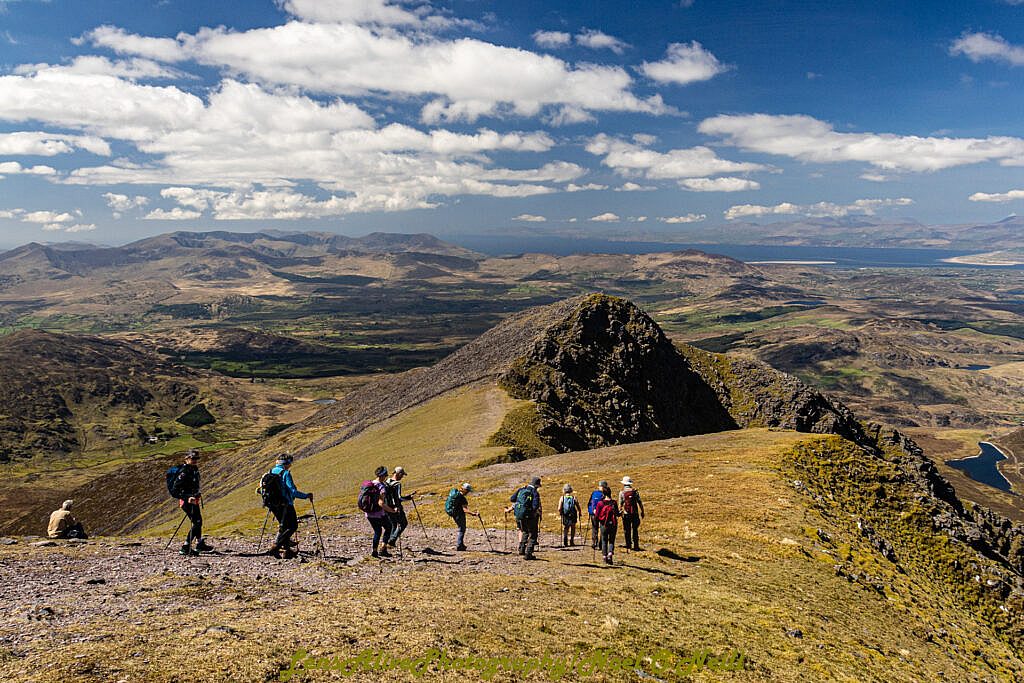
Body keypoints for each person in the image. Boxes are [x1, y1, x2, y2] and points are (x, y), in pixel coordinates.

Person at [265, 454, 312, 559]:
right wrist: (306, 496)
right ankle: (275, 547)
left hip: (273, 505)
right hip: (285, 504)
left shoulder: (270, 472)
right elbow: (293, 491)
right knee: (292, 526)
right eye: (290, 462)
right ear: (287, 463)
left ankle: (287, 551)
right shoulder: (285, 473)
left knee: (285, 526)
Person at [170, 450, 212, 556]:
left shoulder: (194, 469)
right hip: (186, 502)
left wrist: (196, 494)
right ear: (186, 459)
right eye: (192, 459)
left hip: (194, 500)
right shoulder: (184, 472)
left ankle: (199, 544)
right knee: (197, 522)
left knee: (198, 521)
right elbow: (175, 490)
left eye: (196, 459)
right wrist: (187, 497)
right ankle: (185, 547)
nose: (194, 461)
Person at [361, 466, 396, 558]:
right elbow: (381, 503)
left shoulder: (371, 484)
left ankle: (375, 551)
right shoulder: (381, 487)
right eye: (385, 475)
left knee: (377, 531)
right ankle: (383, 549)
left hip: (368, 513)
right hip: (378, 513)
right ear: (383, 476)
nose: (386, 477)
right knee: (388, 527)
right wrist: (392, 510)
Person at [506, 476, 542, 560]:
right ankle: (528, 553)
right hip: (530, 516)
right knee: (533, 534)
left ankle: (521, 549)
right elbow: (535, 505)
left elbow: (512, 499)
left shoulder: (521, 489)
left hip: (519, 515)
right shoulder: (534, 492)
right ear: (537, 485)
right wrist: (534, 513)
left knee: (525, 531)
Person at [385, 466, 416, 550]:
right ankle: (392, 540)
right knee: (403, 523)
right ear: (398, 474)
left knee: (393, 525)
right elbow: (399, 498)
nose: (402, 477)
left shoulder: (387, 481)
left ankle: (387, 544)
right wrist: (409, 497)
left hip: (387, 507)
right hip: (396, 508)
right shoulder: (397, 484)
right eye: (402, 475)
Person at [445, 482, 477, 551]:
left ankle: (461, 544)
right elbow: (464, 509)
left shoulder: (454, 493)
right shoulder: (462, 499)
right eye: (468, 491)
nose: (468, 493)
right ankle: (460, 545)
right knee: (462, 529)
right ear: (465, 490)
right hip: (459, 514)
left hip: (453, 513)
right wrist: (473, 513)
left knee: (461, 528)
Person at [594, 482, 619, 565]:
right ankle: (610, 553)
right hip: (613, 524)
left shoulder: (600, 503)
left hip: (603, 524)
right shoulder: (614, 503)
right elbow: (617, 514)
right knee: (611, 540)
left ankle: (604, 556)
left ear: (603, 494)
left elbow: (597, 515)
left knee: (604, 540)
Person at [618, 476, 645, 551]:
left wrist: (620, 512)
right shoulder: (635, 492)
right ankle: (636, 545)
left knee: (627, 530)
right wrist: (642, 511)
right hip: (635, 513)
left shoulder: (622, 493)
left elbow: (620, 504)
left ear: (623, 484)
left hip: (626, 514)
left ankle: (628, 545)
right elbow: (639, 502)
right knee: (635, 529)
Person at [587, 480, 607, 550]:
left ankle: (594, 542)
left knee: (594, 528)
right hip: (601, 514)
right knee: (602, 528)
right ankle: (601, 544)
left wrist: (590, 511)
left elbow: (589, 502)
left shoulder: (594, 493)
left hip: (593, 513)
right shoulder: (605, 494)